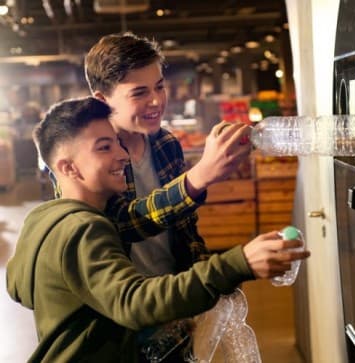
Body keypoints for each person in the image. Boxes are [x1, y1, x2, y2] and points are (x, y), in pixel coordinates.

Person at [6, 96, 310, 362]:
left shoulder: (41, 219)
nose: (122, 155)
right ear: (68, 168)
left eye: (116, 143)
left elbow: (24, 290)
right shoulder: (83, 228)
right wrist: (238, 262)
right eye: (104, 147)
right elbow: (133, 302)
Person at [84, 32, 251, 275]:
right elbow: (121, 224)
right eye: (139, 93)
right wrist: (199, 177)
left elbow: (186, 227)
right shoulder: (87, 155)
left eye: (159, 87)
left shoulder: (166, 144)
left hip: (177, 290)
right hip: (125, 303)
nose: (156, 101)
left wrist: (206, 284)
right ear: (102, 101)